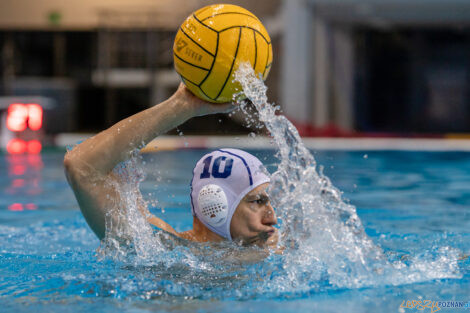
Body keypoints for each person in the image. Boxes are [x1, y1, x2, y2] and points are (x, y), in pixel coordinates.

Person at [64, 83, 278, 249]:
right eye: (257, 201)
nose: (273, 217)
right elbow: (82, 166)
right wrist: (181, 107)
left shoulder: (270, 251)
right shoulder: (160, 248)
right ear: (217, 204)